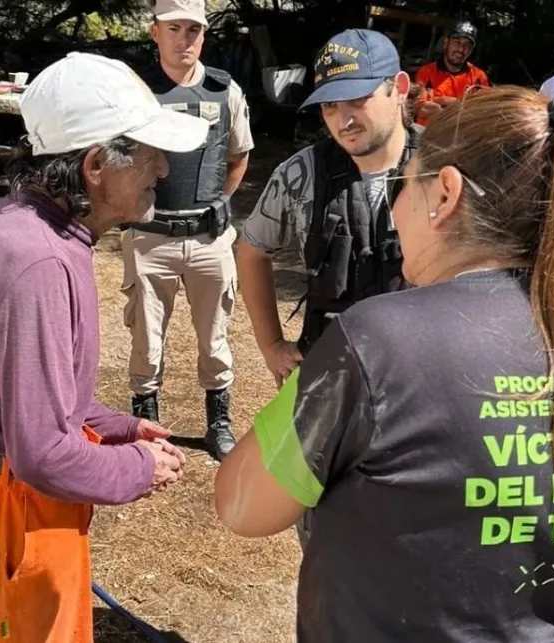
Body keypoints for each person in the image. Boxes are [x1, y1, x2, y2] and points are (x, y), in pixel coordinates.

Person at [215, 86, 554, 642]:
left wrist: (317, 377)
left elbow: (242, 507)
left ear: (445, 194)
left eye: (403, 186)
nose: (394, 214)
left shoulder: (376, 343)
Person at [0, 52, 206, 642]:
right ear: (96, 164)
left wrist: (117, 425)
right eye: (149, 152)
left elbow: (25, 389)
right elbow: (42, 453)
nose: (161, 167)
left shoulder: (5, 221)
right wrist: (136, 469)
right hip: (12, 509)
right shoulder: (41, 262)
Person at [238, 28, 420, 389]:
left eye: (357, 99)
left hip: (420, 383)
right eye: (330, 106)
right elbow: (251, 251)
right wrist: (272, 345)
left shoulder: (447, 167)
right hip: (329, 381)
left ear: (398, 87)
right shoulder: (301, 173)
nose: (343, 121)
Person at [121, 0, 254, 461]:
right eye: (174, 28)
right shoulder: (136, 93)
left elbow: (239, 157)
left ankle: (218, 422)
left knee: (215, 338)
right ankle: (147, 423)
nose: (186, 39)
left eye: (194, 29)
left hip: (208, 240)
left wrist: (213, 206)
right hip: (149, 236)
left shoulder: (224, 91)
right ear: (154, 32)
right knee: (146, 341)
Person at [413, 20, 490, 126]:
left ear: (471, 50)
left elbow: (484, 111)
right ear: (446, 43)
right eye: (456, 42)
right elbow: (419, 109)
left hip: (462, 135)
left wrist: (442, 101)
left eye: (467, 45)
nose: (461, 49)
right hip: (429, 134)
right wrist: (463, 106)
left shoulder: (479, 77)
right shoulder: (426, 72)